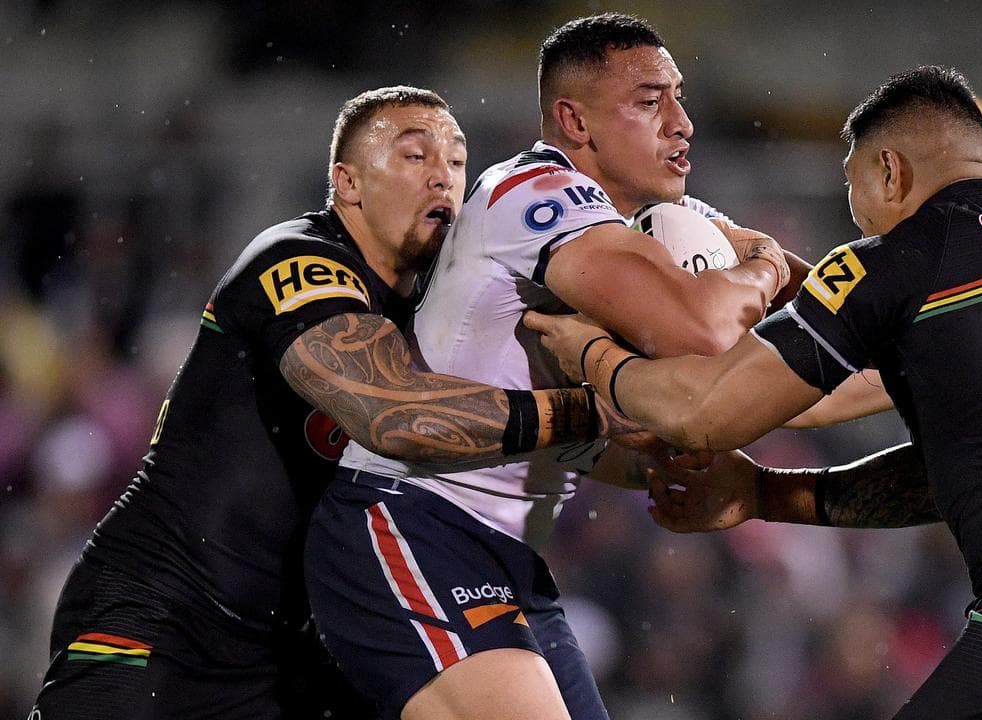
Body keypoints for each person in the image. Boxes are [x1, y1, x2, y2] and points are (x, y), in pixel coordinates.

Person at [526, 66, 982, 718]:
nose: (856, 210)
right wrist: (767, 493)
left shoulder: (894, 261)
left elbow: (702, 412)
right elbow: (954, 474)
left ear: (889, 171)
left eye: (853, 183)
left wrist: (585, 348)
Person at [31, 86, 633, 720]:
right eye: (413, 155)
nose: (443, 178)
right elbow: (392, 414)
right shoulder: (297, 258)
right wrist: (586, 411)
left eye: (457, 162)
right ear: (348, 182)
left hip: (297, 648)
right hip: (167, 609)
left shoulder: (442, 311)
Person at [305, 14, 795, 720]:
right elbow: (707, 327)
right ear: (574, 119)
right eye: (651, 102)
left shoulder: (648, 223)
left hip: (504, 555)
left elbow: (813, 331)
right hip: (413, 520)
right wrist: (765, 262)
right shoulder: (533, 192)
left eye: (680, 98)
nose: (682, 124)